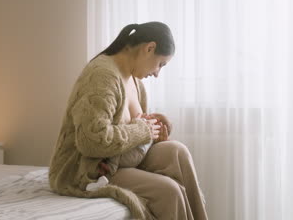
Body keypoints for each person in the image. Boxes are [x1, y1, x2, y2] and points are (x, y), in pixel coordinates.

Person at [49, 22, 208, 220]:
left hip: (118, 158)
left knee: (178, 152)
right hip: (90, 168)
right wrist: (143, 130)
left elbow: (133, 127)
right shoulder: (102, 75)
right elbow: (90, 141)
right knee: (170, 191)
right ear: (149, 48)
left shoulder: (134, 79)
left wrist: (155, 125)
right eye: (160, 64)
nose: (157, 73)